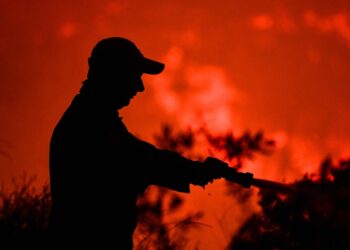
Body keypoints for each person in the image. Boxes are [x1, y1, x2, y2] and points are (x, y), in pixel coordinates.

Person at [49, 37, 252, 249]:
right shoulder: (89, 124)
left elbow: (143, 157)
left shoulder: (94, 119)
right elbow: (144, 159)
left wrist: (197, 170)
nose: (140, 87)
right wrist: (197, 171)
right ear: (114, 74)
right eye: (134, 76)